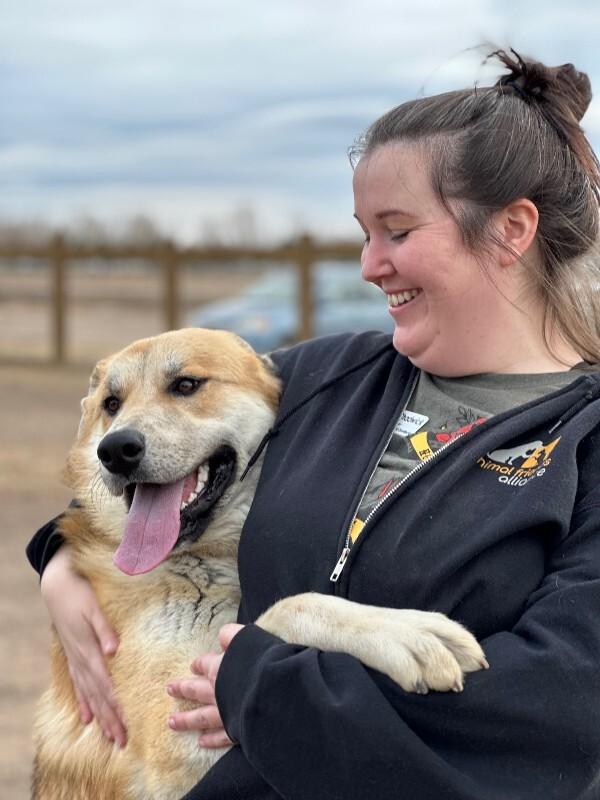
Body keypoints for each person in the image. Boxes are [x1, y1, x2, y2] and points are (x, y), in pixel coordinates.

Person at [28, 48, 600, 799]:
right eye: (364, 232)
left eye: (396, 230)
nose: (368, 264)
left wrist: (264, 687)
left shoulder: (582, 439)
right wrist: (62, 566)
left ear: (511, 229)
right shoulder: (322, 376)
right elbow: (146, 468)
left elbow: (555, 711)